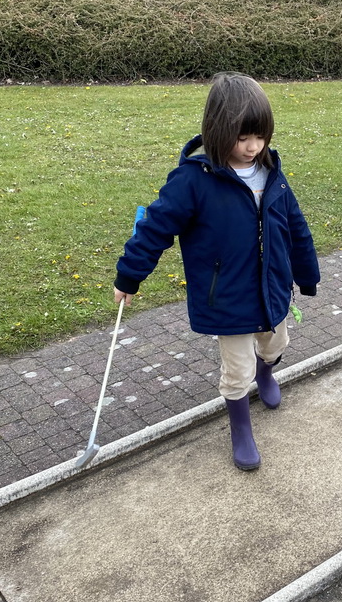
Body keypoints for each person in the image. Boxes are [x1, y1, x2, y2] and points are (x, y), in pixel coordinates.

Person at [113, 73, 320, 471]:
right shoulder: (192, 181)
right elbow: (155, 228)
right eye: (242, 137)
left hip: (273, 289)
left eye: (260, 136)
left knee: (276, 344)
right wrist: (129, 276)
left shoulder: (272, 174)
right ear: (218, 129)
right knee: (236, 370)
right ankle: (241, 426)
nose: (253, 147)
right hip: (227, 298)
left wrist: (306, 274)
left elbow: (296, 226)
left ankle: (267, 374)